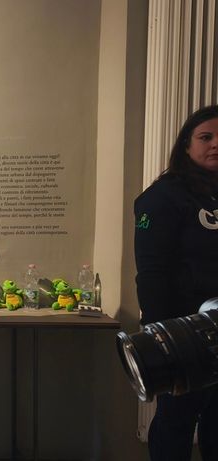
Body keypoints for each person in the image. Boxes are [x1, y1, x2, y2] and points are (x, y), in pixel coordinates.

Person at [134, 104, 218, 461]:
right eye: (206, 137)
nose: (215, 144)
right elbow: (151, 272)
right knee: (176, 420)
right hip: (184, 334)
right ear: (186, 144)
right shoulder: (162, 197)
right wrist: (162, 339)